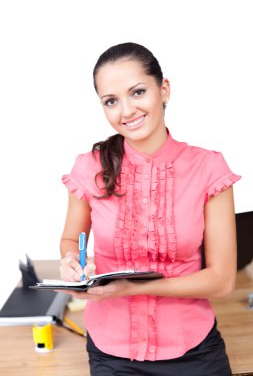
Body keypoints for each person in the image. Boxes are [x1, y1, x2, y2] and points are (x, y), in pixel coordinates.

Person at [59, 42, 241, 376]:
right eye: (111, 101)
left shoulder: (209, 169)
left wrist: (131, 288)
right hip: (111, 352)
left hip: (194, 351)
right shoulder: (89, 168)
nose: (126, 110)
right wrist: (72, 262)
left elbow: (222, 280)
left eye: (138, 92)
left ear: (164, 89)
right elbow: (72, 240)